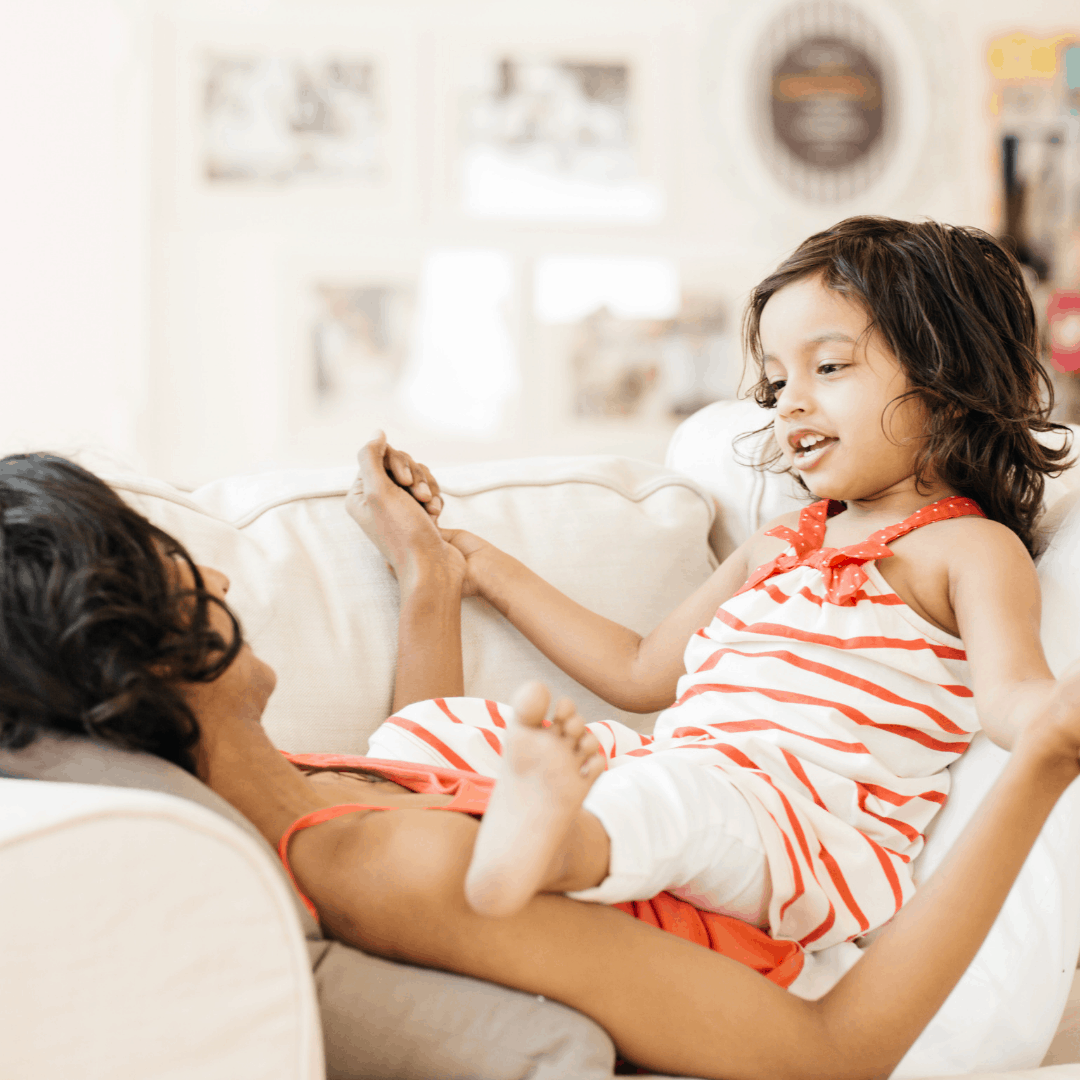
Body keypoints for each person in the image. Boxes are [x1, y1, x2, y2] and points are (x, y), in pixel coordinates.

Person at [2, 451, 1080, 1080]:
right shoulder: (387, 870)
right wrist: (1041, 761)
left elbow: (422, 761)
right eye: (176, 564)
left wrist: (428, 576)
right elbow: (834, 1053)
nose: (222, 569)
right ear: (138, 641)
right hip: (852, 985)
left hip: (750, 855)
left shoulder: (292, 800)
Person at [355, 216, 1077, 954]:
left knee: (671, 801)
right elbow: (640, 670)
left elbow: (1013, 699)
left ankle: (552, 846)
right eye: (778, 378)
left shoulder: (969, 547)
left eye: (828, 368)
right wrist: (477, 564)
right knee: (427, 732)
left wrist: (1062, 713)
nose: (790, 401)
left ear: (951, 382)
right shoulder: (780, 544)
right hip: (685, 771)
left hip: (803, 836)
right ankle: (509, 833)